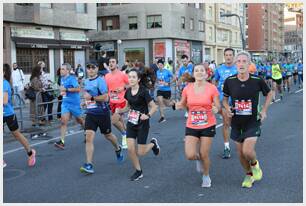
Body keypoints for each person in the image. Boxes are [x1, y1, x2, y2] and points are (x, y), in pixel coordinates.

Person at [222, 51, 272, 188]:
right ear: (235, 64)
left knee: (247, 151)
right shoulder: (230, 81)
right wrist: (227, 108)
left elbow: (269, 94)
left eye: (245, 61)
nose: (241, 64)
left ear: (249, 64)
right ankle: (249, 174)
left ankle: (255, 165)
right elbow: (225, 99)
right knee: (240, 154)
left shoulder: (257, 80)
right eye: (239, 61)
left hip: (253, 121)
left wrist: (264, 111)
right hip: (237, 122)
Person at [175, 64, 221, 188]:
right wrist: (178, 105)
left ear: (206, 74)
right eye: (197, 70)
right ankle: (198, 159)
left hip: (208, 124)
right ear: (193, 73)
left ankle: (206, 176)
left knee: (204, 153)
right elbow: (183, 103)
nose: (199, 72)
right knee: (190, 155)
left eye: (202, 70)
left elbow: (218, 105)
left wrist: (216, 108)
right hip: (192, 124)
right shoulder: (187, 88)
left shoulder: (212, 88)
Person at [116, 68, 160, 181]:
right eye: (129, 77)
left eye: (133, 77)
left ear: (138, 79)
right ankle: (138, 171)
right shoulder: (128, 92)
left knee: (141, 152)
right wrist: (120, 110)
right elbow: (128, 107)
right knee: (130, 149)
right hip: (131, 122)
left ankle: (153, 144)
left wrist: (148, 115)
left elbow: (154, 106)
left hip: (142, 123)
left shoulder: (143, 91)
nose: (131, 79)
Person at [80, 61, 123, 174]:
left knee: (108, 135)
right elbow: (88, 96)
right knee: (89, 138)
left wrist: (92, 98)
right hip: (91, 114)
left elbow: (105, 98)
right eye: (88, 67)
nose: (90, 70)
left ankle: (118, 148)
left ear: (97, 69)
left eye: (93, 68)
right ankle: (89, 164)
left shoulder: (100, 81)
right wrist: (85, 102)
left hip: (102, 113)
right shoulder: (86, 81)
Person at [3, 63, 36, 167]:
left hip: (8, 114)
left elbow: (4, 101)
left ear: (3, 73)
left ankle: (31, 152)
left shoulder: (4, 84)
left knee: (17, 135)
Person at [213, 48, 237, 159]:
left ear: (233, 56)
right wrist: (215, 93)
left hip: (237, 101)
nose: (228, 57)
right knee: (226, 123)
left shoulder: (238, 68)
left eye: (230, 55)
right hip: (224, 100)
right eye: (226, 55)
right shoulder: (219, 69)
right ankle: (227, 147)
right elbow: (214, 81)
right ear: (224, 56)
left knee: (236, 123)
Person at [54, 63, 85, 149]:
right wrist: (61, 92)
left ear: (68, 70)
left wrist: (66, 89)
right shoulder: (61, 79)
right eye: (61, 69)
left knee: (80, 120)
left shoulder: (72, 79)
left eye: (63, 69)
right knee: (63, 122)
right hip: (65, 103)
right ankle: (62, 141)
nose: (61, 70)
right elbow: (63, 90)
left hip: (74, 103)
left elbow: (78, 89)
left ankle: (87, 132)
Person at [105, 57, 129, 149]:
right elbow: (106, 89)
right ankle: (129, 135)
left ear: (117, 64)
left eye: (113, 62)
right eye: (110, 62)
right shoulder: (107, 76)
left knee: (114, 121)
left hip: (121, 101)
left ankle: (124, 134)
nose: (111, 63)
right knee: (120, 120)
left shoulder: (122, 75)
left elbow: (131, 83)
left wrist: (123, 88)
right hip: (112, 102)